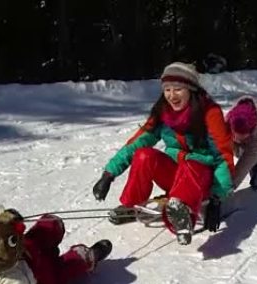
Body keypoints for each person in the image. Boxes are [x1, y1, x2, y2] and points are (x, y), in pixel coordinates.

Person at [92, 62, 235, 245]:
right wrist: (109, 174)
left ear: (191, 90)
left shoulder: (209, 113)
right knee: (144, 155)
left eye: (178, 89)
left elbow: (223, 157)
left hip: (201, 179)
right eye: (167, 89)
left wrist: (216, 198)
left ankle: (182, 217)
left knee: (192, 164)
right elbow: (137, 142)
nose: (171, 96)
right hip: (176, 175)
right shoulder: (163, 112)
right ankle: (132, 206)